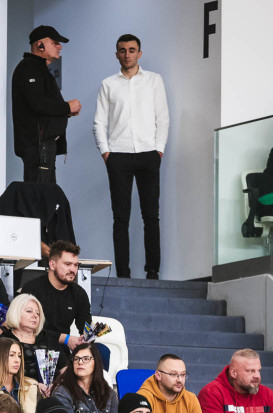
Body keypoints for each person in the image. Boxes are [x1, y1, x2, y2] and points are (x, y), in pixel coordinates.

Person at [93, 33, 170, 280]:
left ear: (140, 53)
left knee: (151, 216)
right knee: (120, 218)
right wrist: (106, 152)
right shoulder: (108, 84)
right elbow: (99, 122)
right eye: (122, 50)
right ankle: (123, 274)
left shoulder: (154, 81)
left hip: (149, 154)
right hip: (119, 157)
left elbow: (163, 117)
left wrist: (159, 150)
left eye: (132, 49)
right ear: (116, 54)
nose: (127, 54)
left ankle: (153, 271)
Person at [11, 26, 81, 182]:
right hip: (37, 147)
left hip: (43, 146)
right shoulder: (29, 68)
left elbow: (40, 105)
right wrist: (67, 107)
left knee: (45, 195)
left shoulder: (38, 69)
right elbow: (37, 104)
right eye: (55, 43)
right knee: (40, 195)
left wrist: (65, 112)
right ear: (40, 45)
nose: (60, 47)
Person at [20, 240, 91, 354]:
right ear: (52, 264)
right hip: (36, 344)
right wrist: (66, 339)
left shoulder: (79, 293)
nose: (73, 270)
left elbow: (85, 325)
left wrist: (86, 339)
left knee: (101, 351)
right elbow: (28, 329)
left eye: (76, 265)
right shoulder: (32, 289)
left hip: (63, 347)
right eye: (67, 264)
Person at [51, 343, 120, 413]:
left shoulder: (108, 392)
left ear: (95, 363)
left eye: (86, 359)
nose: (80, 362)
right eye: (76, 359)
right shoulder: (62, 393)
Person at [0, 293, 55, 389]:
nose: (35, 316)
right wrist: (34, 386)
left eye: (38, 313)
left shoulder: (46, 339)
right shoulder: (4, 341)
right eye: (29, 311)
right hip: (17, 393)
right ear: (16, 312)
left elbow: (63, 369)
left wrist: (55, 385)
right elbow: (0, 374)